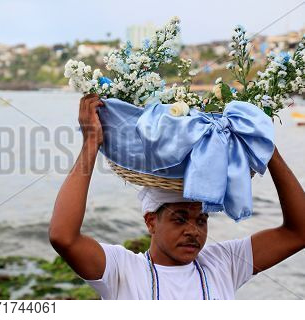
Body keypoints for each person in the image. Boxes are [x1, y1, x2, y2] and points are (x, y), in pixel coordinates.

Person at [49, 93, 305, 300]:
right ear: (151, 222)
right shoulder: (122, 269)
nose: (193, 231)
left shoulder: (223, 263)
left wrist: (265, 148)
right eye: (180, 219)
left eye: (201, 220)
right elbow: (64, 237)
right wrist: (91, 143)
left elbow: (299, 233)